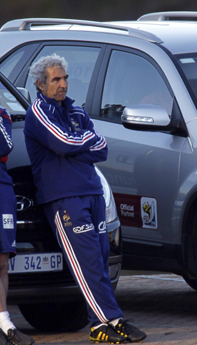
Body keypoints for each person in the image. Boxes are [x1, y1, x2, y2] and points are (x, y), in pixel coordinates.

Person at [24, 54, 146, 344]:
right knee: (88, 261)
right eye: (56, 79)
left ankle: (106, 319)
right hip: (64, 199)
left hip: (92, 191)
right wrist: (81, 143)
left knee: (101, 258)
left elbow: (101, 147)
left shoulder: (76, 110)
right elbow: (63, 142)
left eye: (65, 78)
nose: (63, 83)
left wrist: (77, 144)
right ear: (41, 84)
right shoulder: (39, 112)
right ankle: (106, 322)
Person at [0, 107, 35, 345]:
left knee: (2, 261)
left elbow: (4, 146)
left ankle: (4, 322)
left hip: (2, 188)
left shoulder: (3, 116)